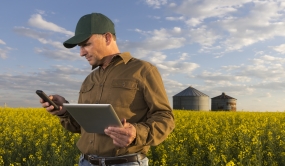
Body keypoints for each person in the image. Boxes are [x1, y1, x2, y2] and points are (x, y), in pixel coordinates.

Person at [40, 13, 175, 166]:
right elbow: (81, 127)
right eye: (80, 47)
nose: (81, 52)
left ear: (108, 38)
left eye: (86, 44)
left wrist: (136, 133)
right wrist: (64, 111)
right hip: (86, 162)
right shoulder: (89, 80)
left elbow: (165, 117)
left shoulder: (143, 70)